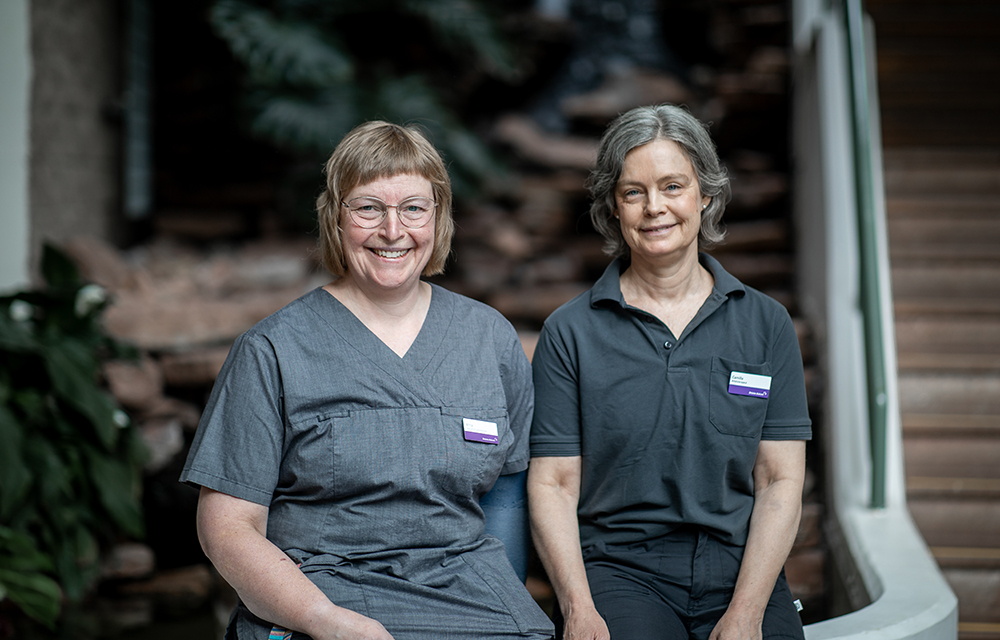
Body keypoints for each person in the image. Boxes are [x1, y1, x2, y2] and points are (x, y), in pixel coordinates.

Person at [181, 121, 555, 640]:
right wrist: (323, 620)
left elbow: (507, 497)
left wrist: (505, 609)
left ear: (438, 218)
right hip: (319, 596)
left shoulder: (487, 337)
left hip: (470, 597)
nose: (393, 230)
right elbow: (226, 528)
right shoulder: (272, 350)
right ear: (335, 218)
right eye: (368, 207)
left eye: (413, 208)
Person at [527, 104, 811, 640]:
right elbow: (555, 484)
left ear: (705, 194)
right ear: (614, 206)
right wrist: (578, 608)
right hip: (620, 571)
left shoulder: (766, 323)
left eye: (672, 186)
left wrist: (748, 612)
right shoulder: (570, 332)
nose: (654, 207)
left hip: (739, 566)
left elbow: (778, 480)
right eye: (633, 191)